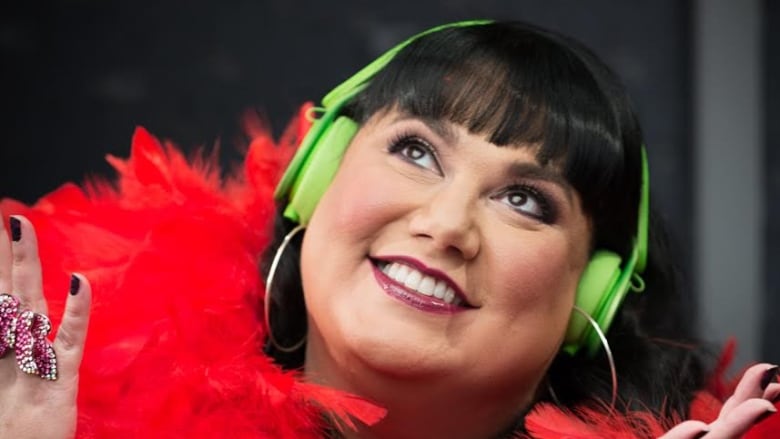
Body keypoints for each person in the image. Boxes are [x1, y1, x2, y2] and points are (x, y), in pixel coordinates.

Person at [0, 20, 777, 438]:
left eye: (526, 201)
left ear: (593, 297)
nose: (446, 225)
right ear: (314, 175)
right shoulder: (48, 392)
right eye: (416, 150)